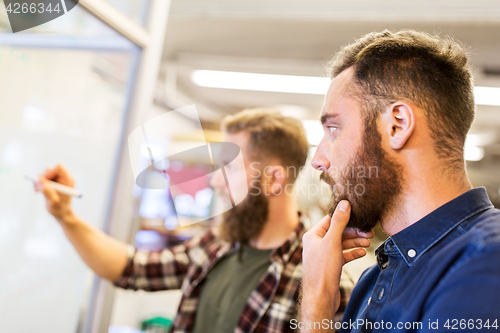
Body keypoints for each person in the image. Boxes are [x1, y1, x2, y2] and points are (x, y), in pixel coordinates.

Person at [35, 109, 365, 333]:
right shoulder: (215, 245)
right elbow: (131, 268)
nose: (215, 182)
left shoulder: (324, 280)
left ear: (274, 179)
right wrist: (66, 216)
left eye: (230, 168)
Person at [300, 30, 500, 332]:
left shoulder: (486, 260)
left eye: (333, 129)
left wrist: (316, 306)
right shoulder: (375, 278)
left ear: (397, 125)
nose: (318, 159)